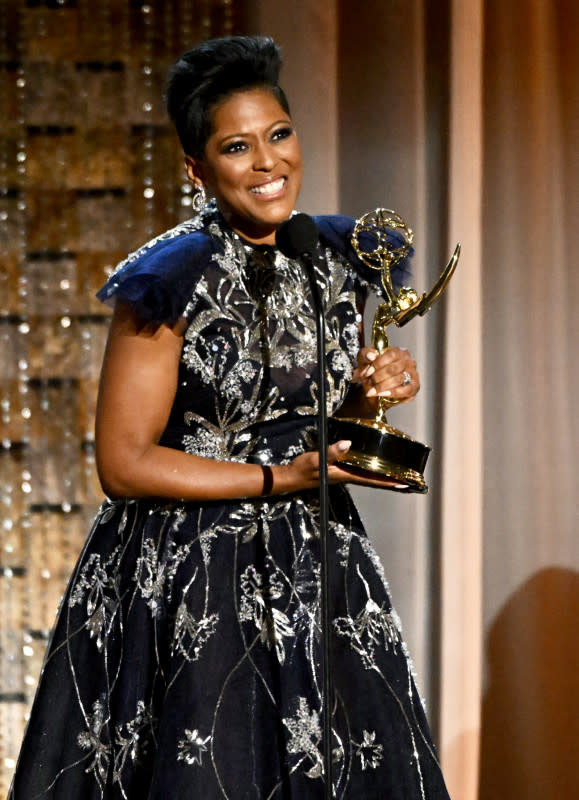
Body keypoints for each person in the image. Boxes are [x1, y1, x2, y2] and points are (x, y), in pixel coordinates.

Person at [9, 36, 450, 799]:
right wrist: (281, 477)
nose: (268, 162)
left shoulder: (332, 256)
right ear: (197, 170)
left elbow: (299, 418)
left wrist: (367, 398)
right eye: (237, 147)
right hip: (192, 572)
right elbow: (122, 463)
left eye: (278, 135)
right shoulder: (170, 277)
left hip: (314, 560)